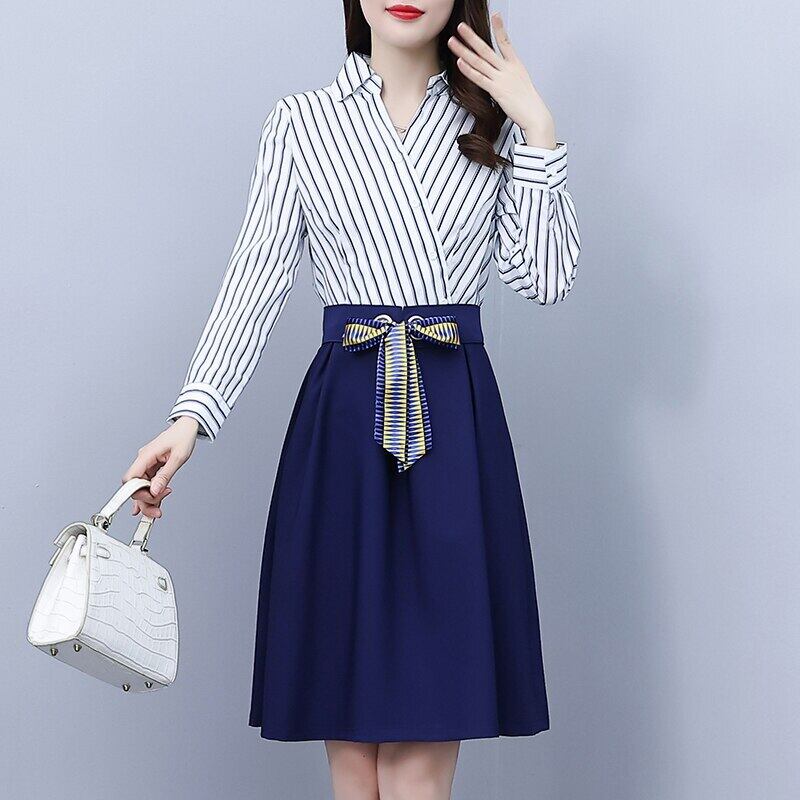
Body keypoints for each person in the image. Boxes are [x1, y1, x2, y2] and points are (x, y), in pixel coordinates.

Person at [123, 1, 581, 797]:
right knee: (354, 763)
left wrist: (537, 126)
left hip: (452, 424)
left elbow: (544, 278)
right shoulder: (301, 124)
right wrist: (190, 419)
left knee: (416, 760)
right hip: (344, 426)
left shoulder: (492, 121)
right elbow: (254, 282)